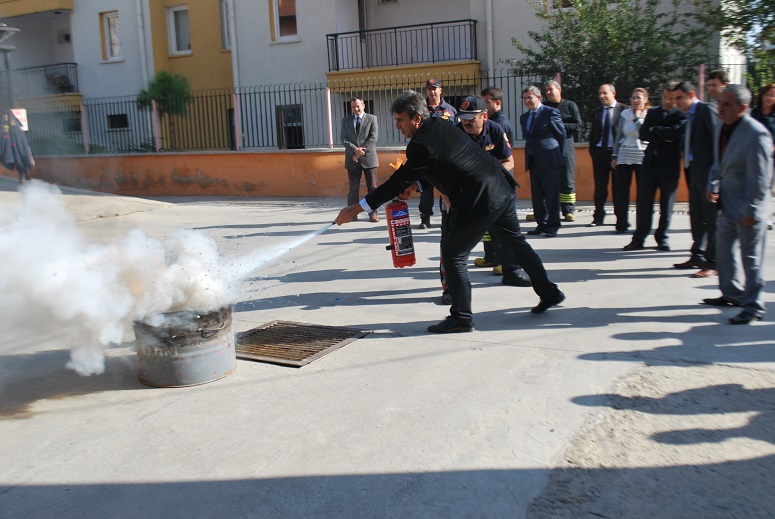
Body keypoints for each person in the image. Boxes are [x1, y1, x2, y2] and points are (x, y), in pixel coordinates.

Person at [335, 90, 565, 334]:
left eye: (401, 119)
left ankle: (461, 318)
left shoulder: (421, 144)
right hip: (500, 187)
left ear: (417, 119)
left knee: (453, 253)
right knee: (517, 244)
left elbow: (397, 181)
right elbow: (443, 164)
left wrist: (357, 208)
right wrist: (418, 184)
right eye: (396, 119)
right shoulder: (439, 125)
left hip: (480, 197)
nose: (397, 125)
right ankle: (549, 292)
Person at [702, 84, 773, 324]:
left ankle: (753, 306)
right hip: (726, 202)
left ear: (742, 108)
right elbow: (718, 160)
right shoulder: (722, 125)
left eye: (727, 105)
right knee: (723, 253)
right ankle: (731, 294)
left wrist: (752, 210)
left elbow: (761, 178)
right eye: (720, 103)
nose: (720, 108)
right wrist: (713, 183)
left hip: (748, 207)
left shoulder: (756, 134)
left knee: (751, 260)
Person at [455, 95, 530, 289]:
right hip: (469, 193)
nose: (466, 122)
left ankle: (512, 271)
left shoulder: (495, 129)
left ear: (484, 116)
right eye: (463, 117)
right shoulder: (456, 133)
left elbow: (509, 161)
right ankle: (452, 286)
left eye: (471, 118)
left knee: (508, 232)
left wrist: (490, 175)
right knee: (455, 241)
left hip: (498, 189)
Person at [623, 82, 687, 251]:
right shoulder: (653, 112)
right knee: (644, 204)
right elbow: (643, 134)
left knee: (666, 206)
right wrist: (663, 134)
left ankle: (662, 238)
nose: (668, 101)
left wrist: (655, 130)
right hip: (650, 164)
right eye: (666, 97)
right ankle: (639, 238)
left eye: (672, 98)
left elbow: (675, 134)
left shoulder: (681, 115)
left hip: (670, 165)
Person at [671, 81, 719, 277]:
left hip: (708, 172)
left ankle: (713, 263)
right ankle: (697, 255)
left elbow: (717, 142)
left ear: (691, 94)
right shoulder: (689, 115)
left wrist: (715, 180)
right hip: (694, 171)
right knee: (697, 217)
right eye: (674, 99)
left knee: (711, 219)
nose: (676, 103)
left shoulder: (706, 110)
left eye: (679, 98)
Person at [476, 86, 516, 273]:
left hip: (499, 181)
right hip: (487, 182)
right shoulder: (487, 122)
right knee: (488, 224)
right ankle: (491, 256)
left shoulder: (500, 124)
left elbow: (507, 158)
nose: (484, 106)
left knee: (500, 224)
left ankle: (503, 261)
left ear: (497, 103)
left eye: (487, 102)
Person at [520, 85, 566, 237]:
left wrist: (559, 155)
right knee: (538, 195)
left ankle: (553, 224)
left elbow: (561, 136)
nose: (526, 101)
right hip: (533, 159)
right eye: (524, 98)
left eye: (529, 97)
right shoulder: (525, 117)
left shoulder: (551, 112)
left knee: (551, 194)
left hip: (550, 159)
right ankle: (542, 223)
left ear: (538, 98)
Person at [418, 78, 457, 229]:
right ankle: (425, 217)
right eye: (429, 89)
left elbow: (456, 133)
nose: (432, 91)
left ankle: (446, 216)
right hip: (427, 155)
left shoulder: (450, 110)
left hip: (445, 156)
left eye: (435, 88)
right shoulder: (421, 110)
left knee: (445, 187)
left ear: (440, 90)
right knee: (426, 187)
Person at [588, 84, 628, 226]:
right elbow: (592, 134)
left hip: (617, 154)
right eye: (600, 94)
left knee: (618, 187)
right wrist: (593, 151)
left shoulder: (624, 110)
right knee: (600, 187)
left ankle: (621, 219)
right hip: (600, 153)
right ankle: (598, 217)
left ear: (613, 93)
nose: (602, 96)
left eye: (605, 93)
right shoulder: (597, 112)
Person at [611, 88, 650, 233]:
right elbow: (619, 136)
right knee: (622, 191)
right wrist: (614, 156)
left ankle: (641, 225)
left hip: (642, 155)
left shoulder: (649, 114)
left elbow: (644, 132)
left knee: (642, 192)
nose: (635, 100)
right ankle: (621, 223)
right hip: (625, 154)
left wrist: (637, 118)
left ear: (645, 99)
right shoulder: (624, 114)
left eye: (639, 97)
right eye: (633, 98)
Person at [544, 80, 582, 222]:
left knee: (567, 177)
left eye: (551, 89)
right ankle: (548, 210)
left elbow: (578, 125)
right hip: (549, 145)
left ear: (559, 90)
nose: (548, 92)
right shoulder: (544, 107)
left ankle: (568, 210)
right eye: (546, 90)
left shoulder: (570, 105)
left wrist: (558, 125)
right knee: (548, 179)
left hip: (566, 143)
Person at [340, 97, 380, 222]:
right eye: (353, 107)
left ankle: (373, 213)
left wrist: (360, 152)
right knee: (353, 188)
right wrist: (354, 151)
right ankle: (352, 214)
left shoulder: (372, 119)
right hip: (352, 159)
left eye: (358, 106)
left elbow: (373, 138)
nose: (356, 109)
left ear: (363, 105)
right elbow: (344, 138)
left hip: (369, 158)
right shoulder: (346, 121)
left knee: (372, 188)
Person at [1, 110, 35, 183]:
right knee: (21, 163)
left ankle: (24, 177)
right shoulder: (15, 127)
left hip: (18, 149)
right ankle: (23, 178)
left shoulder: (11, 127)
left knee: (22, 163)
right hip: (18, 149)